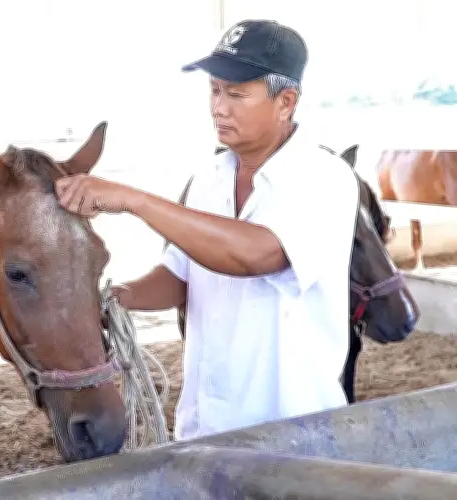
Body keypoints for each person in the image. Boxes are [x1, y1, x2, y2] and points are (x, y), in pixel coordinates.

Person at [55, 19, 360, 440]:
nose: (219, 107)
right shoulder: (209, 179)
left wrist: (134, 200)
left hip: (291, 429)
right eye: (214, 90)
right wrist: (117, 299)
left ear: (286, 101)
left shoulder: (323, 176)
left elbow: (256, 255)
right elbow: (183, 275)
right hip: (205, 426)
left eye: (236, 94)